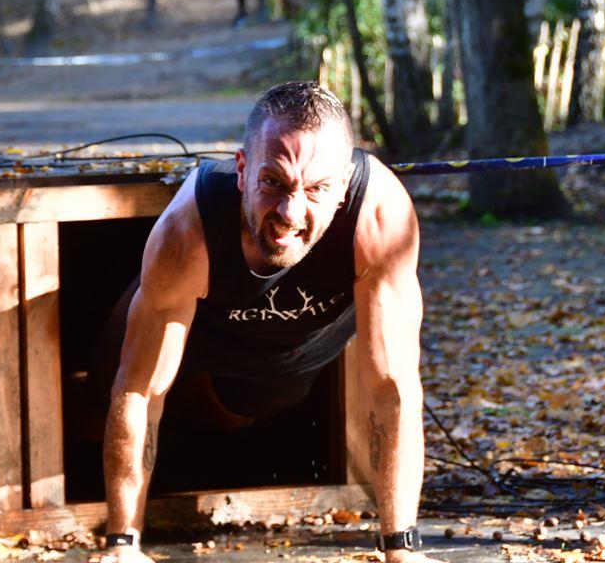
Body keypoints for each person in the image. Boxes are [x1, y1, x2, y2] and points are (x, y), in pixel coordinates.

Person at [96, 81, 439, 563]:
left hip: (275, 374)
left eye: (316, 189)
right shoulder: (187, 232)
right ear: (241, 170)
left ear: (343, 186)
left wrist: (400, 549)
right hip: (194, 340)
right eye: (273, 182)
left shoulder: (380, 220)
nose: (290, 213)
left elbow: (393, 389)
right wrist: (121, 545)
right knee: (106, 397)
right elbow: (139, 390)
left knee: (238, 412)